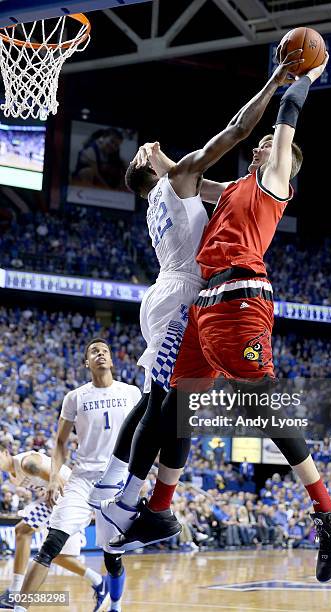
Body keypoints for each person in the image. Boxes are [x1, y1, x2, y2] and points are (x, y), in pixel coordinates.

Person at [109, 52, 331, 585]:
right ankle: (158, 509)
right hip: (202, 308)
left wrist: (303, 79)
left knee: (262, 404)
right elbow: (182, 178)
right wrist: (154, 164)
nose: (267, 143)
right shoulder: (231, 192)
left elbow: (276, 123)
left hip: (242, 300)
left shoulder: (273, 180)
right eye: (265, 146)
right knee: (175, 403)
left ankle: (329, 511)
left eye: (275, 147)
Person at [89, 51, 305, 546]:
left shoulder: (158, 199)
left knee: (167, 403)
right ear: (154, 168)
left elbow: (214, 185)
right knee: (163, 405)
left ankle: (136, 500)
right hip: (190, 294)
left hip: (167, 292)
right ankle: (124, 500)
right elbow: (234, 132)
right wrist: (275, 81)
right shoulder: (178, 177)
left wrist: (161, 160)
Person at [13, 339, 142, 612]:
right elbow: (59, 443)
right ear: (87, 362)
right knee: (50, 545)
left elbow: (145, 433)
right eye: (94, 352)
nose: (101, 354)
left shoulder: (131, 392)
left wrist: (144, 470)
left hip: (117, 482)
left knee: (113, 558)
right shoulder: (75, 397)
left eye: (105, 351)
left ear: (111, 359)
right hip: (82, 479)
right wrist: (53, 477)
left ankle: (115, 605)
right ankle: (19, 608)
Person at [0, 444, 104, 610]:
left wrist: (73, 507)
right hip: (59, 498)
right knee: (55, 554)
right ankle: (99, 582)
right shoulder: (13, 476)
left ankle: (15, 591)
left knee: (23, 532)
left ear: (6, 452)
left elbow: (59, 480)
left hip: (70, 495)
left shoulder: (26, 463)